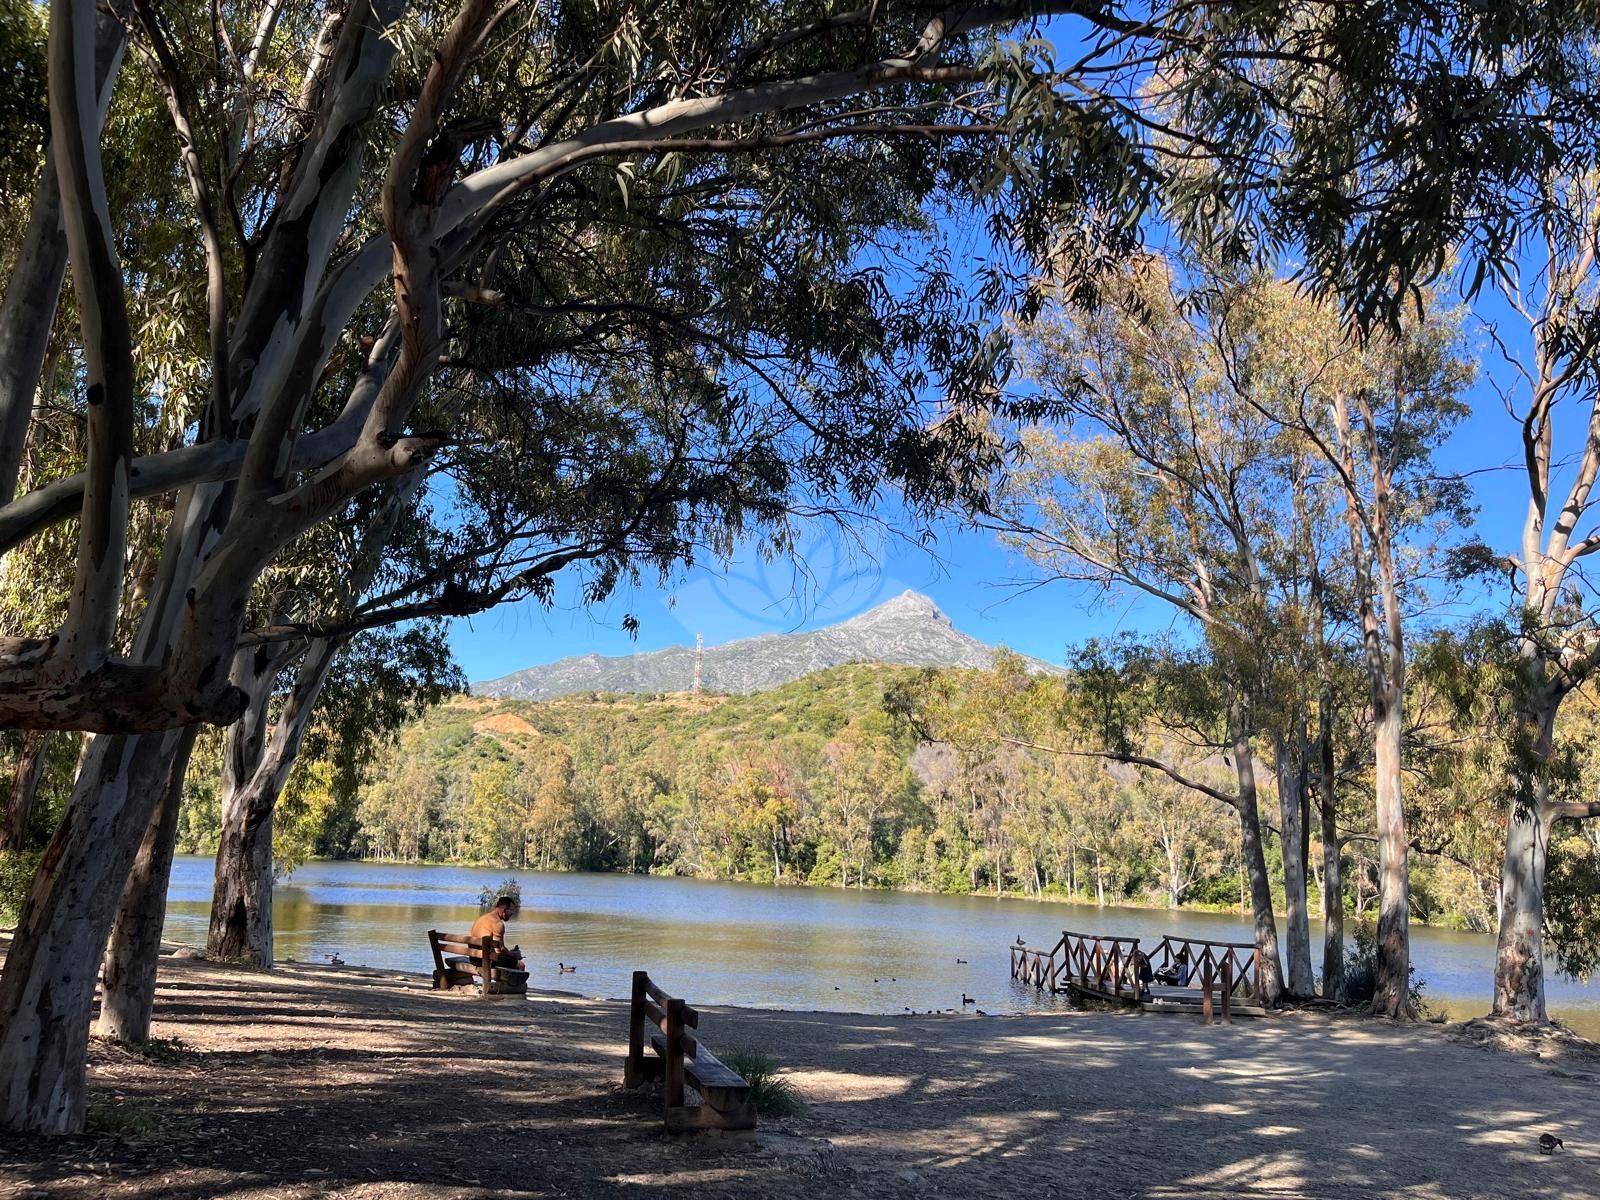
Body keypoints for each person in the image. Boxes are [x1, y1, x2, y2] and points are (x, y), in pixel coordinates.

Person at [469, 895, 526, 972]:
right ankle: (511, 984)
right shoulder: (498, 924)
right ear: (503, 909)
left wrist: (510, 953)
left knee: (508, 959)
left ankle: (504, 983)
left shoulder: (483, 918)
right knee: (520, 965)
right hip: (484, 960)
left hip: (473, 957)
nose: (512, 913)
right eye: (511, 910)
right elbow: (500, 951)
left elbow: (498, 949)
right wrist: (515, 955)